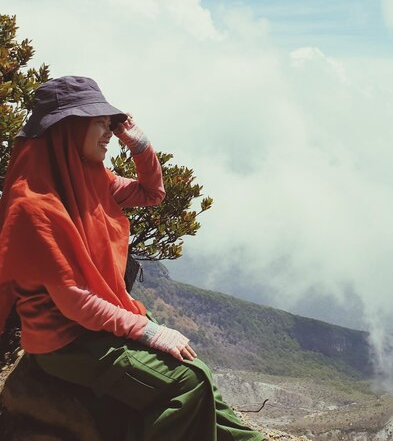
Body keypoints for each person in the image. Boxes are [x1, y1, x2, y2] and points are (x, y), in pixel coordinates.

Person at [0, 75, 263, 441]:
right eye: (100, 124)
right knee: (185, 384)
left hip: (98, 320)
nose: (109, 133)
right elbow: (74, 300)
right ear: (69, 129)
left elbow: (152, 193)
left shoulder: (93, 180)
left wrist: (137, 141)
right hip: (67, 340)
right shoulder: (32, 205)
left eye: (111, 124)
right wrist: (149, 329)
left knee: (197, 370)